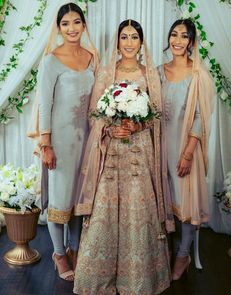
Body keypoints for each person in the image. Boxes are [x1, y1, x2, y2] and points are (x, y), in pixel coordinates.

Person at [73, 19, 174, 295]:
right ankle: (99, 278)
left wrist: (138, 124)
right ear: (117, 42)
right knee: (106, 208)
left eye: (134, 37)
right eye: (124, 37)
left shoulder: (149, 73)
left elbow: (157, 114)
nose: (129, 42)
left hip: (139, 152)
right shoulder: (107, 72)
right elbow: (94, 112)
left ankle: (139, 278)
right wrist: (110, 127)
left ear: (141, 43)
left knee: (136, 209)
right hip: (112, 152)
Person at [27, 2, 98, 281]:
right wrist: (46, 145)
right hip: (60, 142)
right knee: (59, 199)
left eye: (76, 22)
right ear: (58, 28)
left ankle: (75, 249)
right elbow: (46, 105)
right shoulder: (51, 60)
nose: (72, 28)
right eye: (65, 23)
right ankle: (58, 253)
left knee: (78, 199)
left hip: (87, 141)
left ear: (84, 25)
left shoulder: (92, 57)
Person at [158, 19, 215, 280]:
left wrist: (188, 154)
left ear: (191, 42)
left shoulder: (198, 75)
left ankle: (183, 255)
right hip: (159, 148)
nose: (177, 41)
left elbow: (200, 118)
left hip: (184, 149)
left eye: (183, 36)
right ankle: (166, 251)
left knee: (186, 205)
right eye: (174, 35)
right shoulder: (158, 72)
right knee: (165, 203)